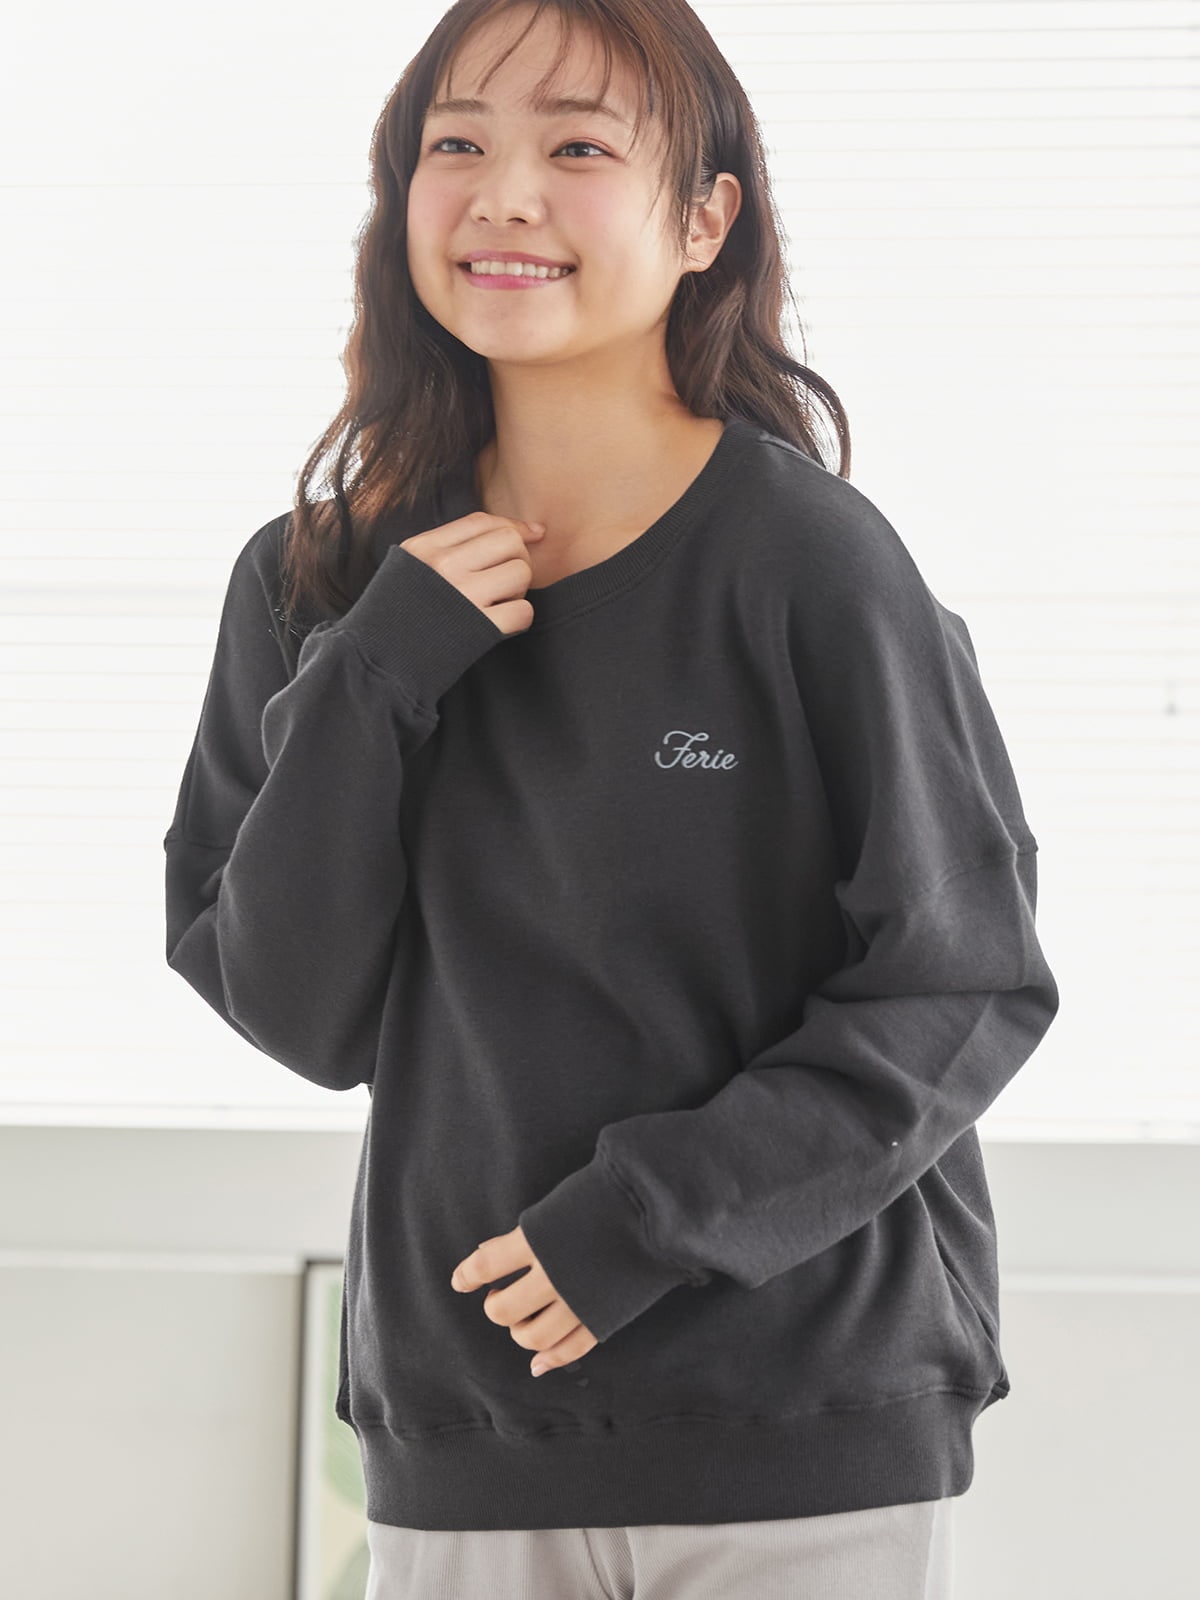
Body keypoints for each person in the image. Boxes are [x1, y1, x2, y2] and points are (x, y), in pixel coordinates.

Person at [162, 0, 1060, 1595]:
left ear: (706, 219)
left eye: (578, 146)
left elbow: (962, 979)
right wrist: (378, 678)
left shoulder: (812, 565)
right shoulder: (319, 583)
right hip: (464, 1432)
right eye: (457, 143)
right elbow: (300, 1012)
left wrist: (643, 1223)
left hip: (801, 1421)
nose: (505, 195)